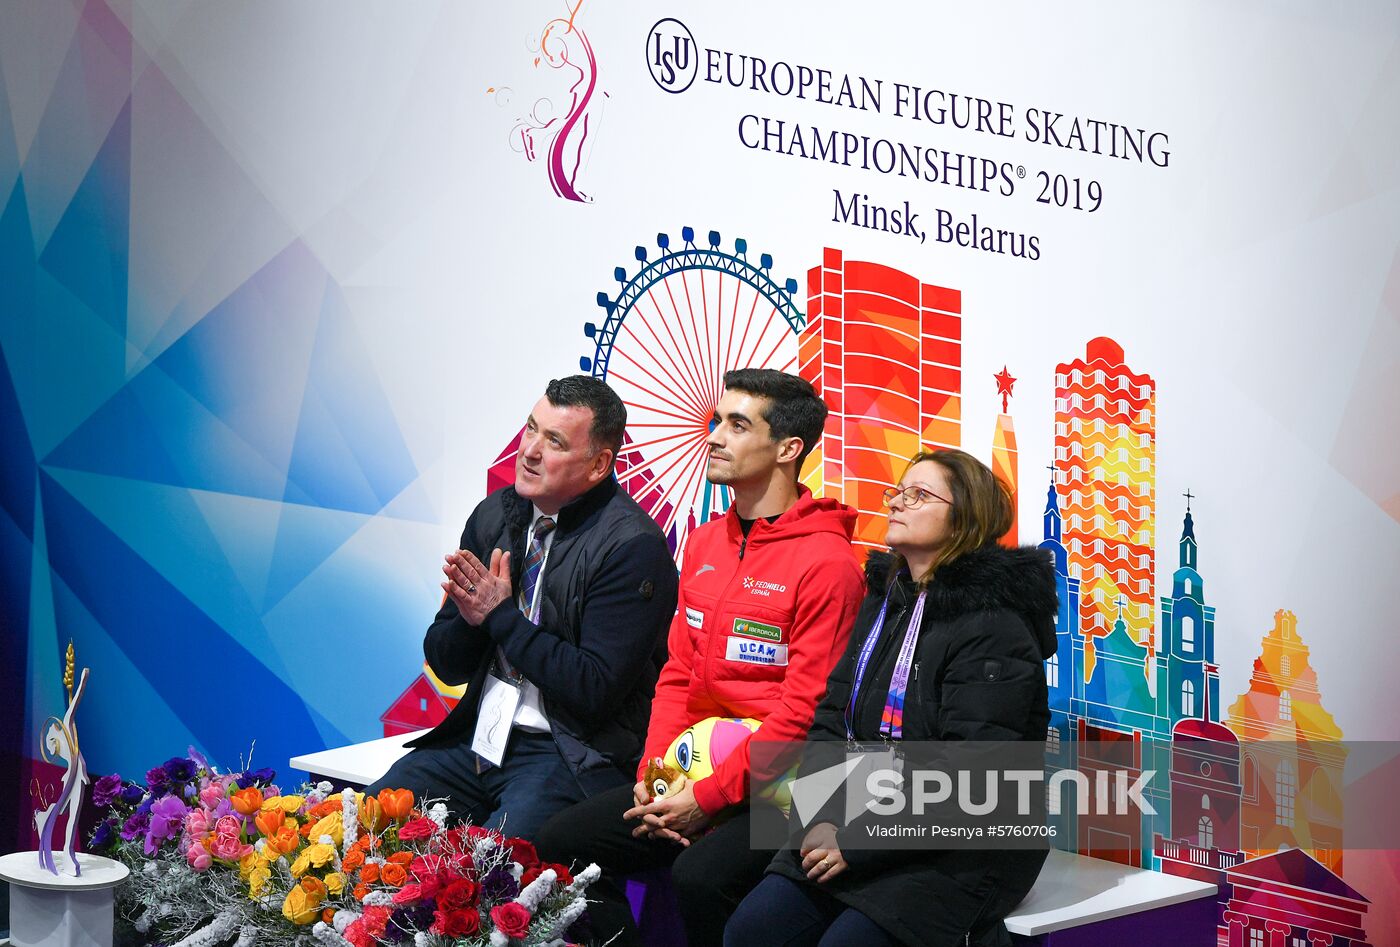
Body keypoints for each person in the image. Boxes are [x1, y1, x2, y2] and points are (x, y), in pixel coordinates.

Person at [536, 369, 866, 947]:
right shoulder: (706, 541)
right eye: (717, 420)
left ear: (788, 450)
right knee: (558, 843)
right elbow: (678, 675)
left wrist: (706, 800)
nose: (713, 436)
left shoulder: (828, 564)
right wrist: (654, 777)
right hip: (692, 773)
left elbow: (804, 717)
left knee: (699, 878)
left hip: (789, 785)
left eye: (737, 425)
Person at [726, 448, 1058, 947]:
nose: (897, 503)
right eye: (898, 492)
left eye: (918, 495)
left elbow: (975, 773)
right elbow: (831, 719)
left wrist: (856, 844)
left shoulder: (994, 625)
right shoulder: (887, 599)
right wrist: (819, 818)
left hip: (964, 842)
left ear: (965, 517)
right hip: (861, 807)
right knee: (751, 930)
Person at [364, 375, 678, 840]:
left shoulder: (632, 547)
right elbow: (446, 665)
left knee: (494, 871)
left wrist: (501, 617)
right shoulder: (494, 515)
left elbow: (594, 688)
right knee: (362, 829)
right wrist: (474, 622)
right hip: (478, 741)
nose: (529, 450)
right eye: (531, 428)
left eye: (554, 441)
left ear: (598, 465)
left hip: (565, 753)